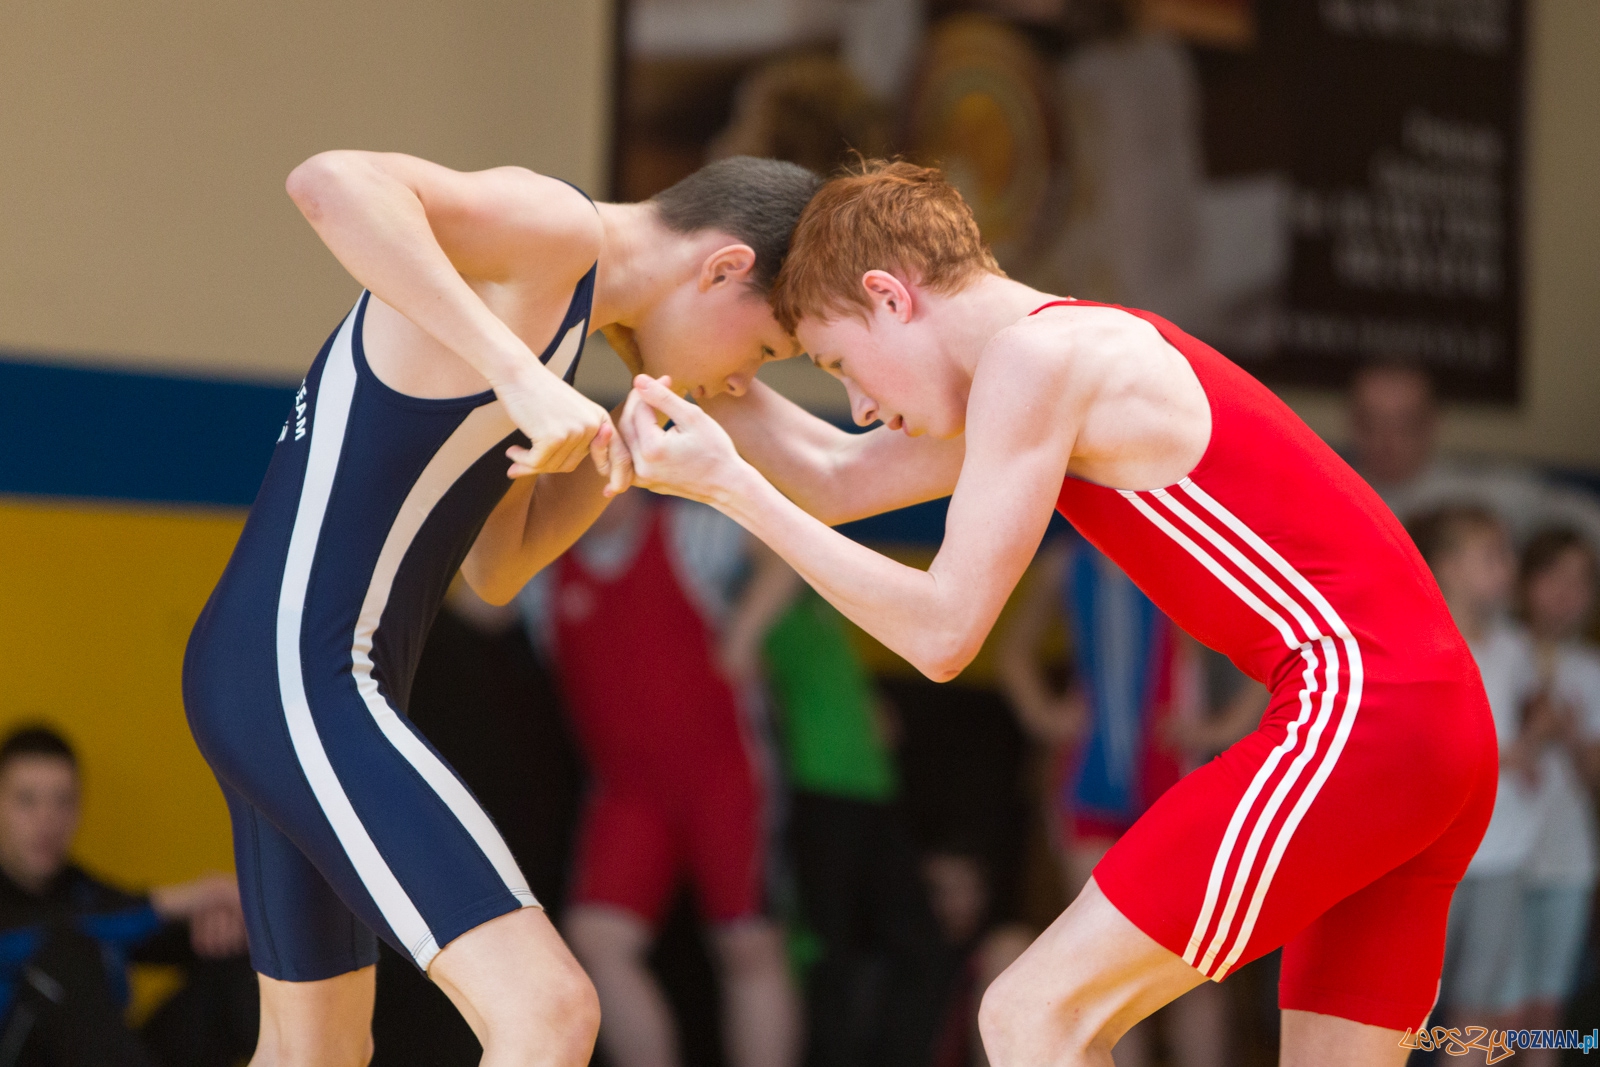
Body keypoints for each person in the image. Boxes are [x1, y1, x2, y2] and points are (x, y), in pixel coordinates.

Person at [617, 159, 1497, 1066]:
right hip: (1436, 723)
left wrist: (732, 493)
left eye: (842, 366)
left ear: (891, 295)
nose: (862, 405)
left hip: (1362, 714)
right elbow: (836, 479)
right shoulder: (1063, 350)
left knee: (1032, 1015)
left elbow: (943, 634)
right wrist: (656, 337)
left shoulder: (1038, 363)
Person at [183, 153, 821, 1067]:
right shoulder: (561, 232)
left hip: (274, 679)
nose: (734, 382)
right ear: (722, 269)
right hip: (300, 682)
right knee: (549, 1009)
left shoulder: (556, 329)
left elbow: (495, 564)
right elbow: (328, 182)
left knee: (313, 1053)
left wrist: (614, 463)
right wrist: (514, 371)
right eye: (762, 352)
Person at [519, 487, 800, 1067]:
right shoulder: (540, 572)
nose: (595, 487)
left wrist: (744, 634)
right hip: (628, 795)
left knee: (748, 946)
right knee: (597, 940)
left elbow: (791, 551)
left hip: (725, 778)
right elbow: (474, 598)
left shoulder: (689, 532)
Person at [997, 535, 1253, 1067]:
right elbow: (1013, 651)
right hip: (1088, 787)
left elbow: (1274, 646)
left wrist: (1219, 729)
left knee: (1193, 968)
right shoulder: (1067, 564)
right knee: (1105, 973)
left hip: (1174, 784)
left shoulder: (1185, 558)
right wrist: (1045, 714)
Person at [760, 588, 948, 1067]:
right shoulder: (751, 589)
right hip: (813, 790)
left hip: (873, 789)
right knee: (826, 953)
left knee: (918, 947)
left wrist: (869, 705)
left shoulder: (824, 589)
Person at [0, 726, 251, 1067]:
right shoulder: (88, 914)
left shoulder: (80, 890)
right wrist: (191, 896)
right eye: (27, 800)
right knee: (65, 958)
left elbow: (144, 931)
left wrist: (221, 926)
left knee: (232, 963)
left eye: (63, 801)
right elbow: (49, 931)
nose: (47, 820)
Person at [1346, 363, 1600, 552]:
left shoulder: (1476, 493)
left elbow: (1577, 514)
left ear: (1431, 425)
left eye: (1404, 425)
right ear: (1353, 425)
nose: (1387, 440)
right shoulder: (1330, 498)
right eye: (1372, 424)